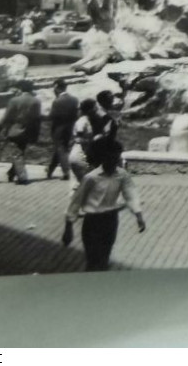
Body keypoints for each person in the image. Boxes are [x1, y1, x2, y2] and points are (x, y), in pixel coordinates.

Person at [66, 139, 145, 271]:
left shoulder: (122, 175)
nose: (117, 161)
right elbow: (76, 202)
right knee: (92, 259)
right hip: (93, 222)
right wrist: (68, 227)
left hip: (110, 220)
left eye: (118, 157)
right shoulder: (91, 178)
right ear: (103, 158)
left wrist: (139, 215)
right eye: (113, 158)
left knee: (104, 258)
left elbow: (131, 194)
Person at [0, 80, 43, 184]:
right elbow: (37, 119)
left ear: (20, 88)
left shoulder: (14, 100)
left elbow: (7, 117)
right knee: (20, 151)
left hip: (15, 130)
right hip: (29, 131)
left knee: (17, 154)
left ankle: (22, 177)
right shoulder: (36, 101)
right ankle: (12, 173)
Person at [43, 79, 79, 182]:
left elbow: (52, 116)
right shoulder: (74, 99)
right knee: (60, 149)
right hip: (70, 128)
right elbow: (76, 115)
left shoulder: (57, 101)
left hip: (58, 129)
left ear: (57, 87)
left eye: (54, 87)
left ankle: (66, 172)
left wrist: (42, 117)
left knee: (61, 149)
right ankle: (50, 170)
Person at [68, 97, 99, 187]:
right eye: (95, 107)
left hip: (82, 153)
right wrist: (93, 140)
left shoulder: (87, 120)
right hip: (80, 154)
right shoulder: (82, 121)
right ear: (89, 109)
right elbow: (79, 138)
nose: (96, 109)